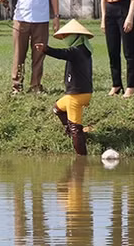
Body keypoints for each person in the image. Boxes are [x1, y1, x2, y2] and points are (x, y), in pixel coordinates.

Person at [34, 19, 93, 155]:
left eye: (67, 36)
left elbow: (62, 54)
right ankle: (73, 134)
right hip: (80, 93)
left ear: (76, 36)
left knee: (75, 127)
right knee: (57, 109)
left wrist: (46, 49)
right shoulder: (85, 49)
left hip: (76, 96)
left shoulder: (77, 51)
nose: (65, 38)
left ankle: (81, 160)